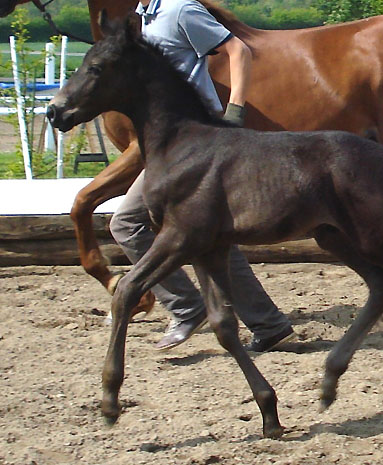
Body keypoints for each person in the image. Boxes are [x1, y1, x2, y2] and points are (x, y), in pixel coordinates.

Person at [109, 0, 295, 352]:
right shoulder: (144, 16)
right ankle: (266, 323)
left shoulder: (180, 10)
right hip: (173, 145)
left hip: (196, 142)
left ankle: (188, 307)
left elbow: (237, 49)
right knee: (207, 235)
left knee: (129, 223)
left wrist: (235, 112)